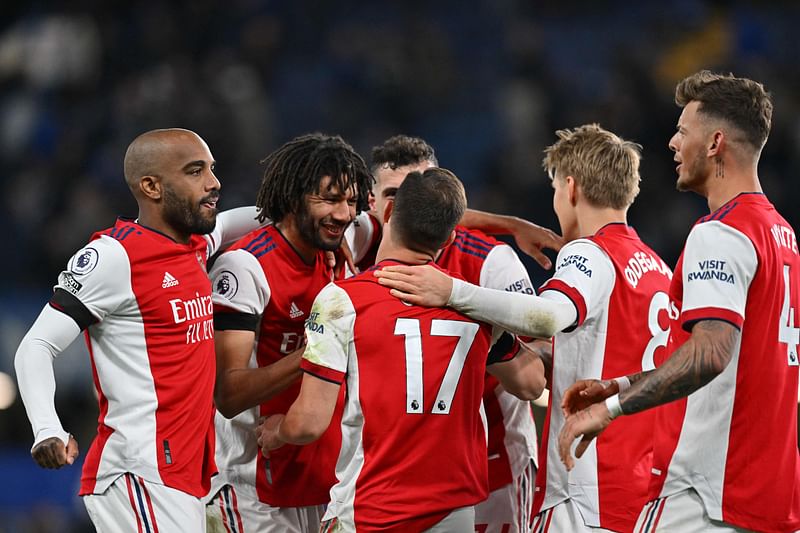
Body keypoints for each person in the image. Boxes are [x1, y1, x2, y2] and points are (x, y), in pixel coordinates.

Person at [374, 124, 672, 532]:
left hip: (586, 482)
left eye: (553, 190)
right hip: (642, 482)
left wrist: (455, 292)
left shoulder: (589, 252)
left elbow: (549, 316)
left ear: (570, 188)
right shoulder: (656, 267)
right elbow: (604, 352)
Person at [556, 71, 800, 532]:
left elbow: (711, 353)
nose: (671, 143)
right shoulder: (782, 236)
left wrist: (609, 412)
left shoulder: (720, 233)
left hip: (702, 499)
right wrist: (622, 385)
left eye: (683, 131)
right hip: (771, 501)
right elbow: (730, 359)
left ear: (715, 143)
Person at [257, 167, 546, 532]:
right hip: (455, 515)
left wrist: (279, 430)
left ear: (389, 213)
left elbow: (308, 423)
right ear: (449, 237)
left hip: (370, 512)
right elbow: (532, 383)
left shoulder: (343, 300)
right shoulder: (472, 305)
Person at [14, 128, 267, 532]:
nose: (214, 182)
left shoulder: (194, 245)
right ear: (151, 186)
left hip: (180, 476)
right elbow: (36, 346)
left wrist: (309, 205)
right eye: (195, 171)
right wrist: (47, 427)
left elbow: (240, 220)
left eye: (212, 169)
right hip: (140, 471)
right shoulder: (113, 256)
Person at [345, 134, 545, 533]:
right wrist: (508, 222)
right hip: (387, 475)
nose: (409, 204)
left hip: (492, 463)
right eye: (394, 194)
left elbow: (536, 360)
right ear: (373, 203)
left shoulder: (490, 260)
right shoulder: (355, 241)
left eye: (420, 189)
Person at [204, 133, 373, 532]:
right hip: (254, 489)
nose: (345, 214)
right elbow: (228, 395)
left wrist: (506, 226)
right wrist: (320, 347)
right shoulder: (245, 268)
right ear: (295, 198)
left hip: (326, 482)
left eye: (351, 201)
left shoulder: (339, 247)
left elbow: (416, 212)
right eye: (329, 199)